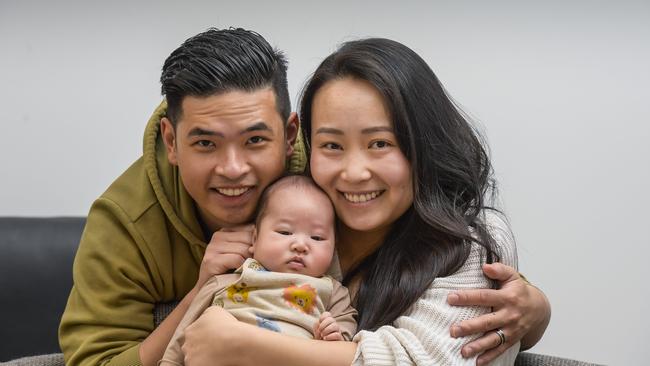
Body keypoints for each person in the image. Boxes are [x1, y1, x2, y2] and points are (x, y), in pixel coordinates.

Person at [59, 28, 549, 366]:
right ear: (171, 140)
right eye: (205, 142)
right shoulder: (127, 219)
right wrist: (199, 293)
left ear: (292, 135)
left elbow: (464, 265)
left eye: (256, 139)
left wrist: (536, 310)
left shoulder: (322, 180)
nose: (234, 169)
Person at [160, 175, 357, 365]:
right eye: (285, 232)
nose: (300, 245)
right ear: (255, 239)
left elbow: (346, 334)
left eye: (317, 237)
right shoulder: (230, 280)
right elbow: (185, 330)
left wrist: (334, 334)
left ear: (334, 247)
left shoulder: (331, 290)